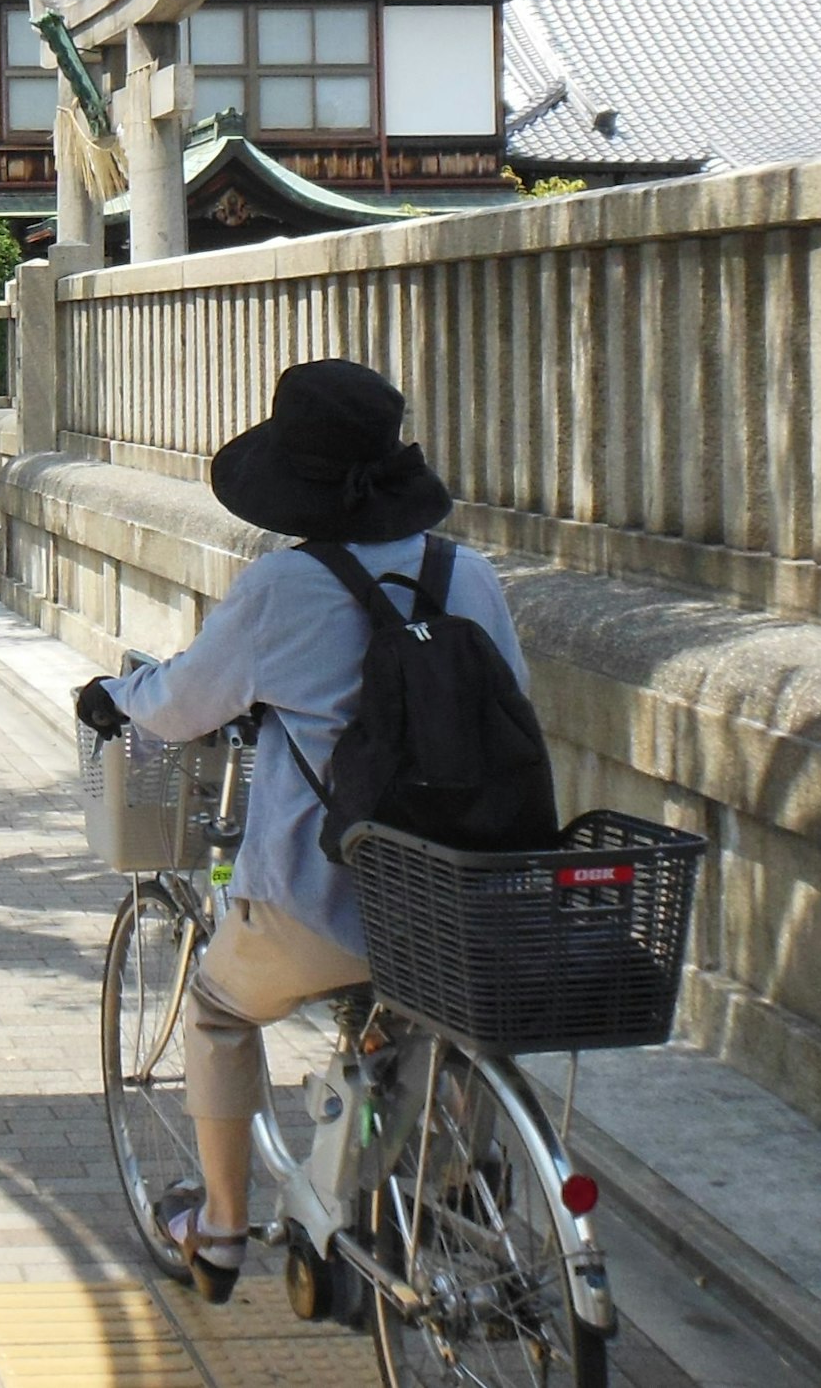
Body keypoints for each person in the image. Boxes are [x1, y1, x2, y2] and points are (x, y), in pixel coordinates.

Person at [72, 356, 531, 1301]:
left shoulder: (286, 589)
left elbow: (182, 701)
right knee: (407, 1013)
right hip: (458, 903)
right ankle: (416, 1199)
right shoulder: (470, 574)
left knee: (219, 1007)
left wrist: (114, 697)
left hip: (322, 906)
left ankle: (225, 1228)